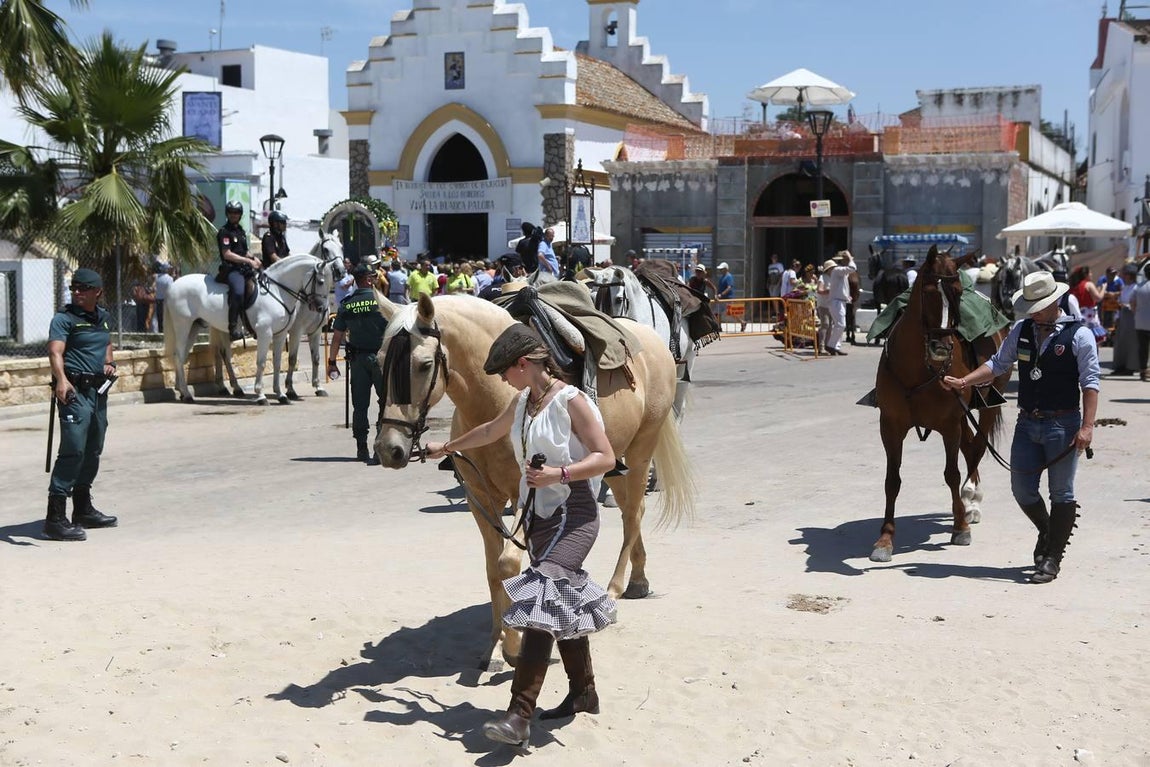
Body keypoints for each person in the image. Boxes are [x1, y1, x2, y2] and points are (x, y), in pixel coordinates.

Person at [424, 324, 617, 748]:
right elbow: (489, 431)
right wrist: (448, 447)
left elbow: (606, 457)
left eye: (504, 372)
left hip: (574, 515)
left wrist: (558, 474)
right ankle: (583, 692)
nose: (502, 379)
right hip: (540, 520)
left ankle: (519, 714)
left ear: (524, 364)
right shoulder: (522, 402)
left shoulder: (571, 401)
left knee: (541, 604)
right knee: (559, 603)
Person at [941, 271, 1099, 584]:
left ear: (1054, 302)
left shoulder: (1080, 335)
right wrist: (964, 381)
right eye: (1030, 307)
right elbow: (998, 363)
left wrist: (1087, 427)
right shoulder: (1021, 330)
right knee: (1021, 489)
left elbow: (1090, 382)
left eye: (1037, 307)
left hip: (1063, 424)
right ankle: (1048, 531)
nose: (1032, 313)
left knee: (1061, 492)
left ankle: (1052, 558)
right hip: (1027, 423)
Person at [44, 267, 119, 541]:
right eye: (74, 288)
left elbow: (107, 342)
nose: (77, 292)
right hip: (73, 392)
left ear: (97, 292)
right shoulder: (64, 319)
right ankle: (55, 518)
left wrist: (109, 362)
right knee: (73, 449)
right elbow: (55, 352)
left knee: (93, 448)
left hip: (98, 392)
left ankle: (83, 508)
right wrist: (61, 381)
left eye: (83, 289)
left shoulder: (103, 318)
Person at [328, 256, 387, 465]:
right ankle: (379, 446)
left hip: (358, 360)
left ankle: (361, 447)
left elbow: (337, 337)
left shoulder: (347, 304)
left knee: (360, 406)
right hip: (381, 359)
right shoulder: (381, 303)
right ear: (368, 280)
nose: (375, 279)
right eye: (373, 276)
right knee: (385, 403)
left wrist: (332, 362)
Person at [218, 200, 260, 340]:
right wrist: (248, 261)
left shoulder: (240, 231)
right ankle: (233, 328)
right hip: (232, 270)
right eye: (231, 212)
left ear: (240, 214)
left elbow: (244, 251)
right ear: (227, 214)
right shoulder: (224, 232)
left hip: (245, 269)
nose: (233, 215)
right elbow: (227, 254)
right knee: (238, 292)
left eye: (236, 212)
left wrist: (254, 258)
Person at [1110, 262, 1141, 375]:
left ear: (1129, 275)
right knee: (1120, 342)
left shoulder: (1136, 287)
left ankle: (1130, 367)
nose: (1122, 276)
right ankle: (1120, 365)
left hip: (1132, 317)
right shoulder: (1125, 287)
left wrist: (1126, 306)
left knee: (1131, 342)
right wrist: (1117, 317)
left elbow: (1137, 304)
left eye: (1124, 274)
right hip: (1123, 316)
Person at [826, 250, 856, 355]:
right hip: (837, 302)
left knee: (839, 325)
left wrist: (847, 296)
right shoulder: (837, 270)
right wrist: (850, 258)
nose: (848, 261)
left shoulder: (840, 272)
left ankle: (836, 346)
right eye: (846, 260)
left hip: (840, 301)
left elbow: (842, 287)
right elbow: (853, 268)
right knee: (841, 325)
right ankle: (831, 345)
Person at [1069, 265, 1106, 343]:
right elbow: (1098, 298)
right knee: (1093, 340)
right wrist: (1104, 288)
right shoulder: (1088, 284)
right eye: (1090, 273)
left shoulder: (1074, 286)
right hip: (1089, 315)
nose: (1091, 274)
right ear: (1085, 274)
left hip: (1078, 314)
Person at [1131, 261, 1150, 382]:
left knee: (1143, 348)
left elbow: (1132, 303)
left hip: (1141, 321)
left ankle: (1143, 371)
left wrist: (1137, 313)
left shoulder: (1138, 287)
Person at [815, 259, 835, 354]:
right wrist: (828, 291)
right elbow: (819, 290)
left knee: (830, 326)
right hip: (823, 305)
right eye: (832, 268)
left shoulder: (833, 278)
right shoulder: (823, 277)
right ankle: (821, 346)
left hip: (831, 305)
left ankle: (827, 345)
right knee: (825, 324)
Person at [715, 262, 742, 331]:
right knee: (717, 313)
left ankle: (742, 322)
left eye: (722, 269)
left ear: (726, 269)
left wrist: (721, 294)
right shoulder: (722, 277)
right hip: (721, 299)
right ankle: (719, 327)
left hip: (728, 298)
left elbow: (729, 287)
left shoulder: (729, 277)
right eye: (720, 269)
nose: (720, 270)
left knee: (732, 313)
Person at [153, 262, 174, 333]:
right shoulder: (170, 279)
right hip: (166, 300)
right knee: (167, 318)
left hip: (158, 300)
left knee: (159, 318)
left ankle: (160, 332)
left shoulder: (157, 278)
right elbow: (171, 290)